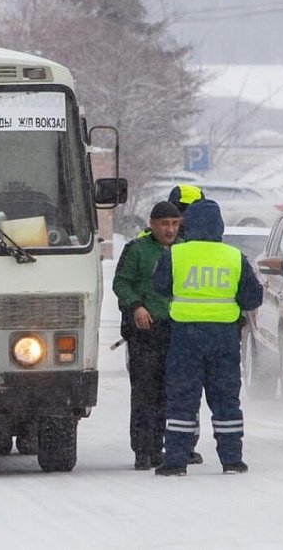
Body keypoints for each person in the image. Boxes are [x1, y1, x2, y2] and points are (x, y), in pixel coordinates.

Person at [151, 199, 263, 476]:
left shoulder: (175, 255)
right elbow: (252, 298)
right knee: (225, 398)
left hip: (184, 337)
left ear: (187, 225)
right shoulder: (234, 257)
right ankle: (232, 460)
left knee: (181, 399)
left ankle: (176, 461)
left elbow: (159, 287)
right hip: (223, 338)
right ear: (219, 225)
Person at [113, 201, 192, 470]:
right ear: (152, 224)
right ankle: (143, 449)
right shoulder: (137, 250)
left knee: (171, 393)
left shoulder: (185, 250)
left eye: (174, 224)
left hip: (177, 331)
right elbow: (121, 282)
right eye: (164, 224)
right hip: (146, 333)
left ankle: (166, 447)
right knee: (145, 392)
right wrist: (136, 306)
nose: (170, 229)